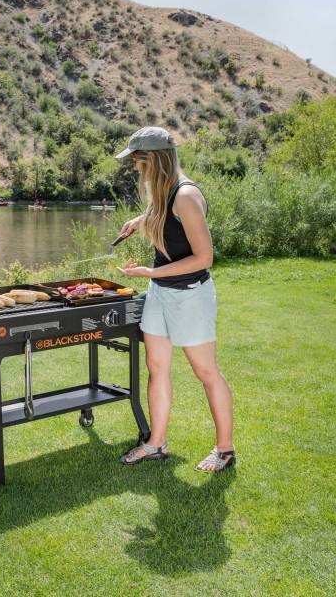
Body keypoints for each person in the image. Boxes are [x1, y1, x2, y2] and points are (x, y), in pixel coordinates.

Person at [115, 127, 235, 472]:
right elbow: (164, 217)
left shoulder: (185, 195)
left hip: (190, 296)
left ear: (154, 159)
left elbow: (204, 258)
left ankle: (225, 450)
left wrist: (150, 273)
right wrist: (140, 221)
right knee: (157, 367)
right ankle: (156, 444)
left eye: (137, 160)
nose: (134, 167)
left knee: (206, 371)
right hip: (161, 294)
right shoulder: (163, 191)